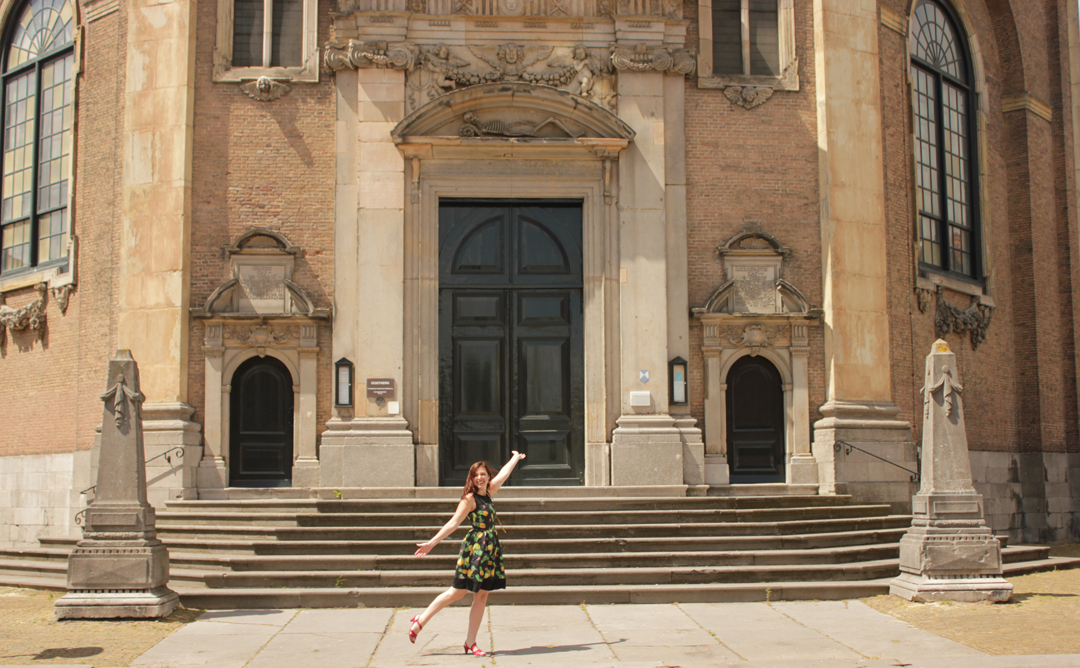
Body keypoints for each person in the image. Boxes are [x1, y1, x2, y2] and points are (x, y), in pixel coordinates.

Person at [407, 451, 527, 656]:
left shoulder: (488, 492)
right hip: (476, 549)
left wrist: (515, 458)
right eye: (475, 475)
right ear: (471, 478)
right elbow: (453, 523)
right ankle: (421, 620)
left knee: (481, 597)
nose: (480, 478)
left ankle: (470, 642)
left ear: (488, 476)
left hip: (489, 549)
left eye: (483, 474)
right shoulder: (470, 499)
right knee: (457, 592)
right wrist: (431, 543)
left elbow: (504, 475)